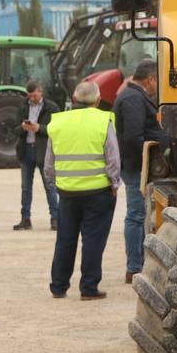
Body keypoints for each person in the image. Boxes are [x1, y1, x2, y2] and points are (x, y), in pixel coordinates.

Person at [45, 81, 121, 300]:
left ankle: (58, 286)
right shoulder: (102, 120)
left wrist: (54, 183)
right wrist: (114, 183)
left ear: (74, 98)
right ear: (97, 100)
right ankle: (88, 288)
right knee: (93, 240)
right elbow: (113, 157)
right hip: (98, 191)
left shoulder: (58, 122)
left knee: (65, 240)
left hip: (67, 192)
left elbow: (49, 161)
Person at [113, 59, 165, 282]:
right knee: (136, 215)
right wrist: (144, 164)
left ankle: (137, 263)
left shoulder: (131, 95)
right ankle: (134, 266)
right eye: (158, 81)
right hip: (137, 167)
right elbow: (134, 137)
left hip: (136, 166)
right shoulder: (133, 98)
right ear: (151, 79)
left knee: (139, 214)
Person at [14, 80, 58, 231]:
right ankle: (25, 219)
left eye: (34, 95)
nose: (32, 98)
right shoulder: (23, 106)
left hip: (44, 151)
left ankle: (55, 218)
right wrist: (22, 127)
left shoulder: (51, 107)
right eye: (30, 96)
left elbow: (57, 129)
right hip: (26, 150)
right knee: (26, 187)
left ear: (41, 92)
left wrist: (39, 128)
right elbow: (14, 129)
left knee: (49, 186)